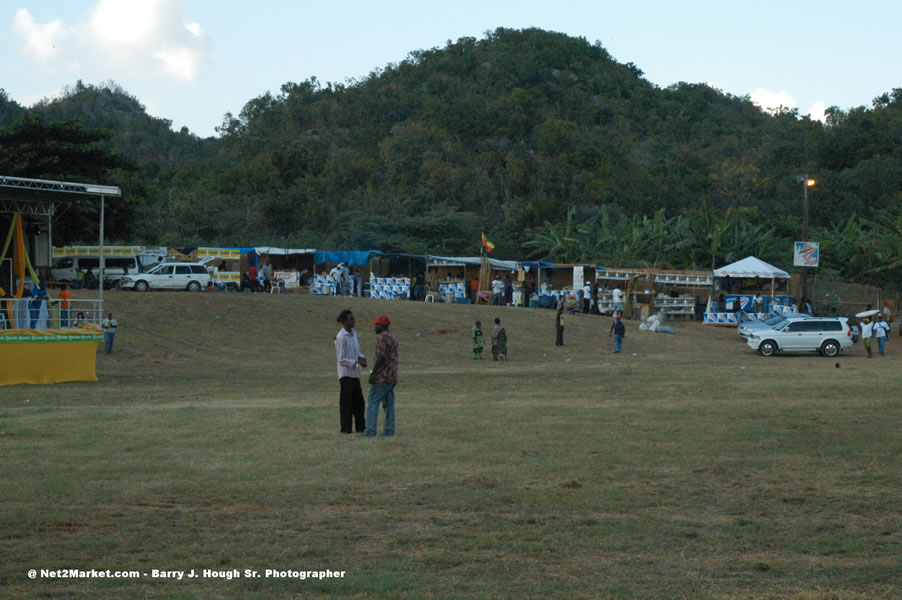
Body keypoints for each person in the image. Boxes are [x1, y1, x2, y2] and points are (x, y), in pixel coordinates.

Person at [363, 315, 399, 437]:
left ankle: (370, 431)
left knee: (373, 402)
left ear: (383, 325)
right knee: (389, 404)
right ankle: (389, 430)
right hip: (392, 375)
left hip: (382, 376)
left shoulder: (381, 338)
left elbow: (381, 357)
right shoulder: (393, 337)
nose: (375, 326)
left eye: (377, 324)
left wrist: (373, 373)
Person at [335, 309, 367, 434]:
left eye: (354, 318)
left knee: (359, 401)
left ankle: (361, 427)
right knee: (346, 403)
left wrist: (361, 357)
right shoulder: (341, 337)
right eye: (351, 319)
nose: (354, 321)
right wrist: (355, 362)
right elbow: (341, 359)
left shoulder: (354, 333)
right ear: (344, 321)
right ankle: (346, 429)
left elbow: (356, 351)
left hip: (355, 374)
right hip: (346, 374)